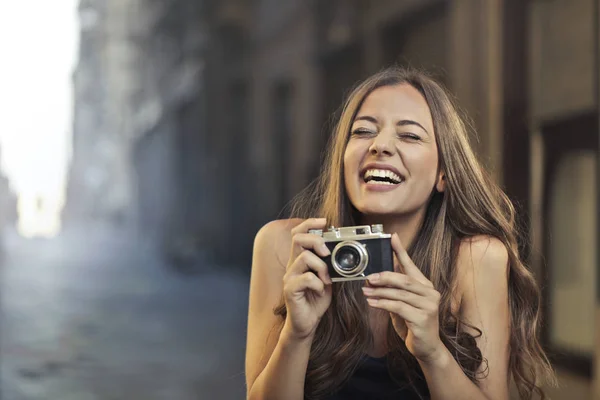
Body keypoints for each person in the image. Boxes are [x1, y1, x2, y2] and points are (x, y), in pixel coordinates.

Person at [245, 67, 556, 400]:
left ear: (443, 174)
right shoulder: (285, 246)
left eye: (409, 135)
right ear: (342, 159)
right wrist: (296, 334)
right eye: (363, 131)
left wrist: (433, 352)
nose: (380, 145)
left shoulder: (476, 257)